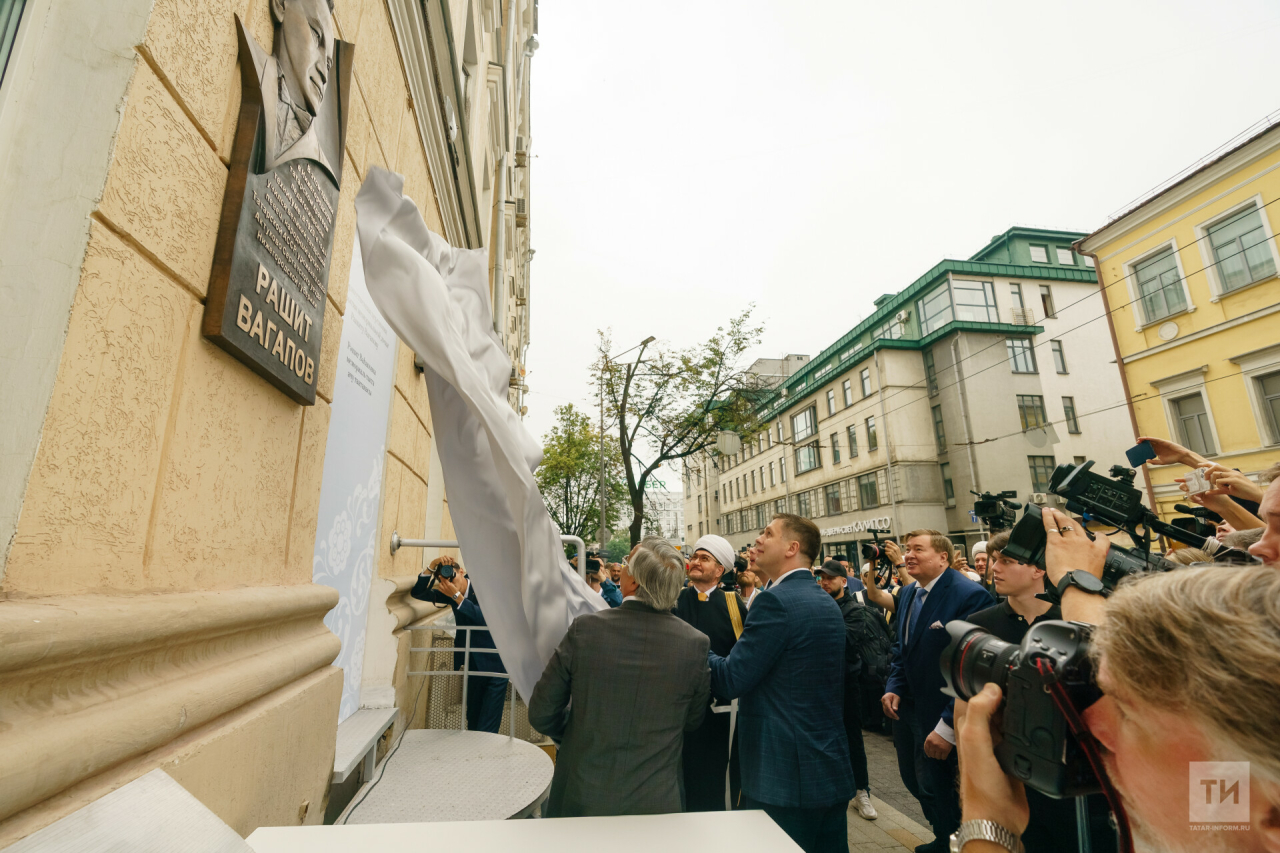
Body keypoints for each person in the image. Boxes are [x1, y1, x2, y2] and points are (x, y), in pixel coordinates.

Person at [954, 510, 1280, 853]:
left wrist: (988, 828)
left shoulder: (1230, 798)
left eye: (1128, 712)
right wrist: (1076, 580)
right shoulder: (1232, 802)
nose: (1088, 720)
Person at [528, 537, 711, 817]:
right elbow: (692, 719)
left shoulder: (586, 630)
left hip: (583, 792)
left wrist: (579, 730)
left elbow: (542, 712)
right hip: (657, 800)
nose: (621, 569)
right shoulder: (695, 643)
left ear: (634, 582)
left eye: (626, 565)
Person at [708, 515, 854, 853]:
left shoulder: (775, 601)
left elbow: (732, 678)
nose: (757, 540)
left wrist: (693, 646)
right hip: (826, 769)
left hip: (784, 777)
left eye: (767, 533)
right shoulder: (824, 601)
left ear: (792, 548)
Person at [961, 531, 1077, 853]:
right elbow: (964, 709)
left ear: (1039, 569)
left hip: (1068, 775)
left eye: (1007, 561)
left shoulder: (1072, 620)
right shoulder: (980, 624)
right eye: (994, 560)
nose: (993, 567)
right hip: (1008, 772)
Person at [881, 530, 993, 853]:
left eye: (918, 549)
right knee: (921, 781)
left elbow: (971, 667)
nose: (908, 555)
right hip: (911, 711)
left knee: (951, 788)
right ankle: (943, 837)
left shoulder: (968, 596)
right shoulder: (909, 594)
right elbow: (902, 649)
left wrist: (947, 725)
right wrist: (894, 686)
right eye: (907, 549)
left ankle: (960, 843)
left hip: (949, 717)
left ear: (943, 557)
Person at [673, 534, 748, 811]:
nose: (695, 562)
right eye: (694, 556)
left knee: (716, 779)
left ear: (720, 570)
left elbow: (742, 658)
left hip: (719, 713)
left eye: (704, 558)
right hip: (677, 709)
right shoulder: (675, 601)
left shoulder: (733, 605)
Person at [411, 556, 507, 733]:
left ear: (462, 571)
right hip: (472, 664)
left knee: (488, 726)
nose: (451, 584)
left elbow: (485, 619)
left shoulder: (484, 587)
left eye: (453, 578)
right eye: (445, 581)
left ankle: (486, 759)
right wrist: (432, 567)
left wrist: (456, 597)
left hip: (496, 667)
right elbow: (417, 593)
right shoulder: (450, 593)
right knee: (472, 720)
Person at [815, 560, 880, 821]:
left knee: (852, 737)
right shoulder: (819, 605)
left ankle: (861, 791)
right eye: (821, 578)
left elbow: (840, 641)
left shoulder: (855, 610)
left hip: (846, 685)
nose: (825, 582)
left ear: (844, 581)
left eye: (830, 578)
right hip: (820, 684)